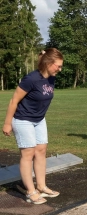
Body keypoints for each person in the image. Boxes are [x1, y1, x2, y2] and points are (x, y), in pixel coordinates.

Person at [2, 48, 63, 204]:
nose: (60, 69)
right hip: (23, 120)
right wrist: (7, 123)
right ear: (49, 63)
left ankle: (41, 186)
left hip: (39, 120)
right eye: (58, 65)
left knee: (41, 151)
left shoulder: (51, 78)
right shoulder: (31, 79)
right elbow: (14, 100)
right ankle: (30, 191)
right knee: (28, 153)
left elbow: (44, 60)